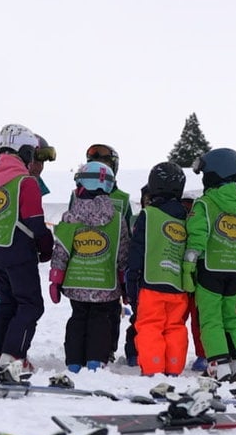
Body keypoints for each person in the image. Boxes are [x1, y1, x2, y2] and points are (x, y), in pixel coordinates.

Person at [0, 124, 55, 383]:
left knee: (6, 303)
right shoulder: (26, 182)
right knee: (30, 305)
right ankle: (14, 357)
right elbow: (35, 221)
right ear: (24, 152)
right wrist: (46, 247)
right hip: (18, 249)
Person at [49, 161, 129, 372]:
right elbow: (122, 253)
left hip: (77, 282)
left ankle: (74, 361)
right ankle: (96, 360)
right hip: (105, 282)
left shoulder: (70, 218)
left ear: (81, 186)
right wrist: (124, 281)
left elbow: (61, 251)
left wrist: (56, 279)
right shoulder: (117, 219)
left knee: (78, 318)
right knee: (101, 320)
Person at [183, 148, 236, 380]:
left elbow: (197, 236)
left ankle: (218, 365)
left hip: (210, 269)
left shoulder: (205, 204)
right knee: (231, 317)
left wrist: (188, 266)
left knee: (210, 318)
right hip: (234, 270)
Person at [126, 163, 190, 376]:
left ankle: (153, 366)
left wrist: (132, 280)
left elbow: (137, 250)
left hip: (150, 281)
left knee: (150, 325)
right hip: (178, 284)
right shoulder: (187, 218)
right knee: (175, 326)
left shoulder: (149, 215)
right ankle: (174, 366)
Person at [81, 144, 138, 366]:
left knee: (111, 311)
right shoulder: (77, 196)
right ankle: (84, 348)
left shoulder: (122, 198)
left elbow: (129, 232)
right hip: (84, 263)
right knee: (82, 310)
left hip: (112, 263)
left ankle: (106, 349)